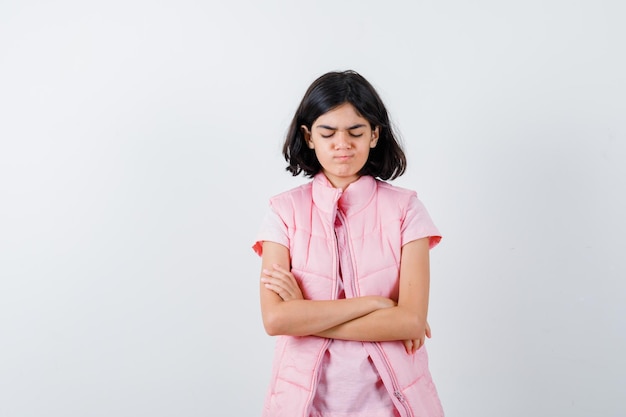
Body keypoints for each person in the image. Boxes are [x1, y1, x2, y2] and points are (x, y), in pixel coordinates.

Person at [252, 70, 444, 417]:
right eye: (328, 132)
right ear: (309, 137)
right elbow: (276, 319)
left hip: (392, 404)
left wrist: (307, 316)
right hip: (303, 405)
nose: (343, 144)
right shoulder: (282, 212)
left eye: (356, 132)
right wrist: (377, 304)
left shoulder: (407, 210)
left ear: (374, 135)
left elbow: (411, 322)